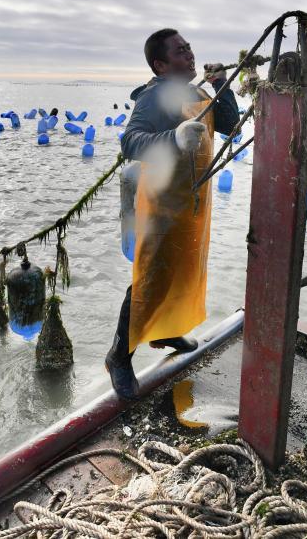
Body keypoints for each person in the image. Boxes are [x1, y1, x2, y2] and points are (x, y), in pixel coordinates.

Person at [105, 28, 239, 399]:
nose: (189, 55)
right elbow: (130, 140)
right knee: (151, 277)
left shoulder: (196, 93)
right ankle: (119, 355)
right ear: (160, 65)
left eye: (189, 48)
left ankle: (164, 331)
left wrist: (222, 84)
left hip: (194, 203)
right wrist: (173, 138)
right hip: (161, 203)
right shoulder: (155, 96)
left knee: (183, 270)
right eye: (180, 52)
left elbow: (229, 124)